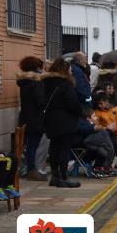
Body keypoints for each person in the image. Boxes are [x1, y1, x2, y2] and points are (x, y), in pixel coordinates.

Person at [41, 58, 81, 188]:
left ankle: (54, 177)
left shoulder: (46, 83)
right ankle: (63, 177)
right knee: (63, 149)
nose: (71, 71)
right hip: (65, 121)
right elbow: (73, 104)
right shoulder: (65, 84)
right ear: (64, 70)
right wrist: (81, 112)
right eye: (69, 69)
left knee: (54, 148)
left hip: (51, 121)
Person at [16, 56, 47, 181]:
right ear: (36, 68)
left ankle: (28, 169)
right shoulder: (36, 83)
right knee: (33, 145)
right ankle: (32, 170)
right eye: (40, 67)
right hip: (36, 119)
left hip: (25, 117)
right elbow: (40, 102)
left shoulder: (24, 83)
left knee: (28, 145)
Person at [94, 92, 117, 171]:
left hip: (115, 134)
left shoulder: (116, 109)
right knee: (112, 146)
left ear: (107, 101)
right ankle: (107, 166)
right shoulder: (98, 112)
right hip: (105, 134)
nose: (99, 106)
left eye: (101, 103)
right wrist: (106, 128)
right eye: (98, 104)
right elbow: (96, 125)